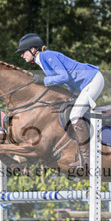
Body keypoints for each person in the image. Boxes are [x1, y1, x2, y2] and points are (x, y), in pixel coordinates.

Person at [16, 33, 104, 168]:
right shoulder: (42, 60)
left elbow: (64, 76)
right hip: (84, 84)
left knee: (75, 115)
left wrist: (44, 80)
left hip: (92, 80)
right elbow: (66, 80)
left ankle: (86, 159)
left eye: (23, 52)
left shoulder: (46, 55)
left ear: (33, 49)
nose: (22, 55)